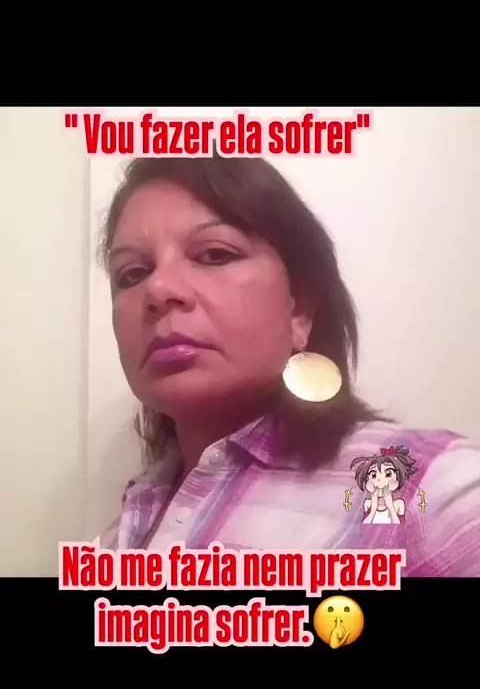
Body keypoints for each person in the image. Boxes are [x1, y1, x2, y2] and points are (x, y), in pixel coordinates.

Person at [97, 150, 480, 576]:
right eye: (132, 274)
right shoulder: (132, 516)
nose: (158, 289)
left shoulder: (425, 488)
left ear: (300, 310)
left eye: (215, 254)